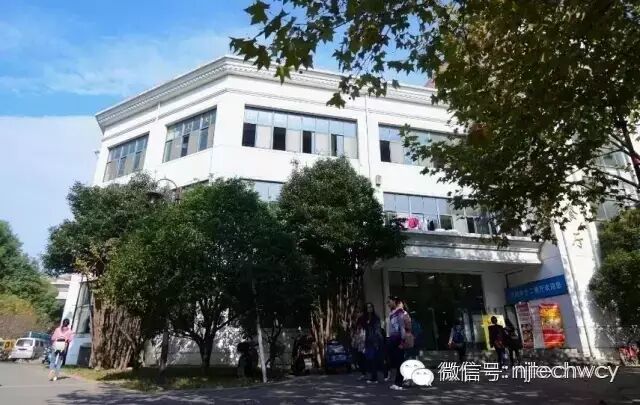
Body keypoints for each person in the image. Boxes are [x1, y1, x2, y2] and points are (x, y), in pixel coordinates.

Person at [387, 296, 412, 390]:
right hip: (393, 339)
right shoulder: (392, 313)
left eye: (389, 302)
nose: (388, 304)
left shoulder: (400, 313)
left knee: (400, 362)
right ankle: (397, 382)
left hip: (399, 339)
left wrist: (402, 341)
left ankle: (399, 383)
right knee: (396, 361)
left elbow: (402, 328)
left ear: (394, 302)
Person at [363, 302, 384, 383]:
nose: (369, 309)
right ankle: (373, 376)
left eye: (371, 307)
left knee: (374, 359)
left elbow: (377, 330)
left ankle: (375, 377)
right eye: (368, 307)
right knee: (369, 359)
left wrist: (377, 341)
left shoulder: (375, 318)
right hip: (368, 340)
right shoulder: (365, 318)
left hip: (374, 340)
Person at [353, 310, 367, 380]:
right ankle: (363, 374)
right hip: (359, 345)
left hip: (364, 345)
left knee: (364, 360)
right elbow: (356, 335)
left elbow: (363, 336)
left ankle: (365, 374)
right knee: (360, 360)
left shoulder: (364, 326)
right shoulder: (358, 326)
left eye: (359, 312)